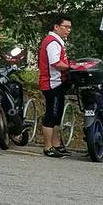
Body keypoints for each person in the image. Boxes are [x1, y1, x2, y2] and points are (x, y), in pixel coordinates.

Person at [38, 15, 72, 158]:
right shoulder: (52, 42)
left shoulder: (57, 41)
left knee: (57, 115)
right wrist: (71, 67)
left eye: (70, 28)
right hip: (52, 83)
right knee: (51, 115)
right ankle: (48, 147)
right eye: (66, 27)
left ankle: (57, 144)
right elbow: (55, 63)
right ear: (56, 27)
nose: (68, 30)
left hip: (58, 83)